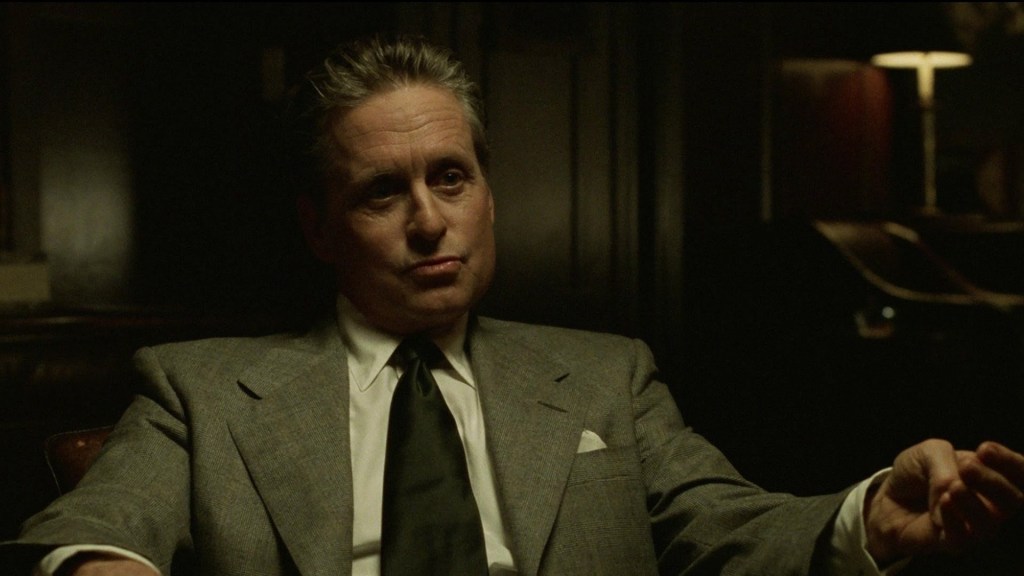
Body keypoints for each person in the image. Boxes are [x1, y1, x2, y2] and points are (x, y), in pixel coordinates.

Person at [3, 33, 1023, 576]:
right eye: (381, 193)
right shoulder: (202, 389)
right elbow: (88, 528)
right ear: (319, 228)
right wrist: (101, 567)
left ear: (489, 194)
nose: (428, 221)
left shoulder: (606, 376)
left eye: (450, 178)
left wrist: (869, 518)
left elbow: (732, 530)